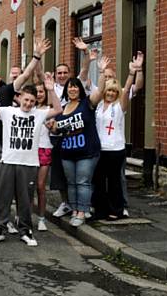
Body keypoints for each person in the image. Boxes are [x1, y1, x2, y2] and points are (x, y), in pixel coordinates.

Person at [0, 38, 51, 232]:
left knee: (5, 186)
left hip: (7, 146)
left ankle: (5, 219)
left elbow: (25, 75)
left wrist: (37, 56)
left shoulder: (7, 90)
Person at [0, 75, 62, 247]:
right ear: (19, 98)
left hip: (29, 164)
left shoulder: (39, 114)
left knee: (25, 199)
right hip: (8, 161)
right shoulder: (8, 111)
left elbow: (57, 109)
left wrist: (51, 90)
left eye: (32, 101)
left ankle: (26, 230)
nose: (28, 104)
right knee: (3, 197)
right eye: (26, 100)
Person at [92, 55, 141, 220]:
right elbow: (97, 89)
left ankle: (116, 210)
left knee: (114, 182)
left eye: (114, 91)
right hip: (100, 150)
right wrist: (100, 71)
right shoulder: (98, 105)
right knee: (99, 181)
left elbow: (127, 89)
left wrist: (132, 72)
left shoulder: (120, 106)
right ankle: (100, 210)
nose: (111, 93)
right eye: (109, 91)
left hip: (115, 150)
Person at [54, 69, 103, 227]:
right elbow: (56, 129)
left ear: (80, 89)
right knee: (71, 182)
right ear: (66, 90)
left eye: (75, 86)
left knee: (82, 181)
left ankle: (82, 212)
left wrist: (101, 71)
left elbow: (100, 91)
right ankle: (74, 209)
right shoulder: (62, 109)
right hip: (67, 153)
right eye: (70, 87)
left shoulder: (87, 103)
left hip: (87, 152)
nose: (72, 89)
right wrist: (51, 127)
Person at [34, 79, 55, 231]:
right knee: (26, 187)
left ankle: (42, 218)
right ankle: (24, 216)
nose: (39, 94)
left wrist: (52, 127)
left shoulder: (50, 109)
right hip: (29, 151)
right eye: (36, 92)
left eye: (41, 91)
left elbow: (55, 130)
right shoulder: (28, 108)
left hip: (45, 149)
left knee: (41, 186)